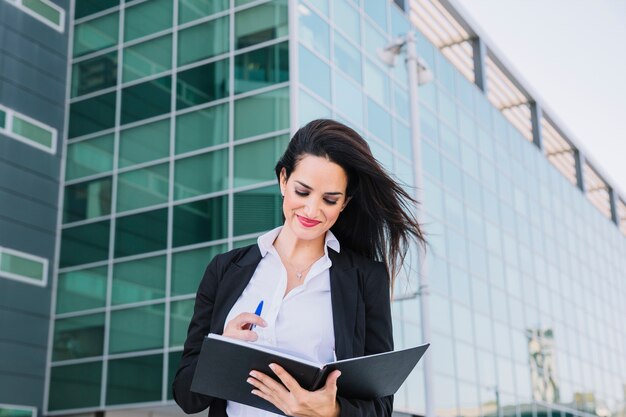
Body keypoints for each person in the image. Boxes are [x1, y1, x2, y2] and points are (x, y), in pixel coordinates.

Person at [173, 119, 425, 417]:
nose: (311, 210)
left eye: (329, 199)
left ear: (344, 204)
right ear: (283, 180)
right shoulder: (225, 270)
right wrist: (222, 349)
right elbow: (186, 398)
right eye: (302, 192)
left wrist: (332, 411)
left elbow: (381, 407)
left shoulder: (365, 279)